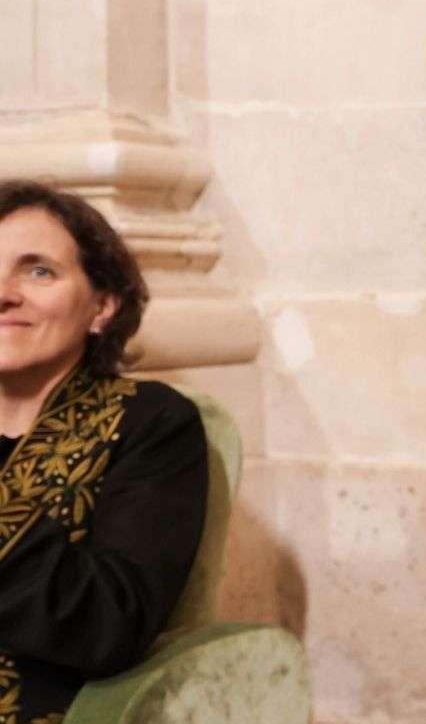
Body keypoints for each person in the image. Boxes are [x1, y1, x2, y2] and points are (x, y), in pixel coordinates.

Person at [0, 180, 209, 724]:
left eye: (38, 269)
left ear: (102, 306)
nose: (3, 292)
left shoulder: (151, 422)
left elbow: (109, 625)